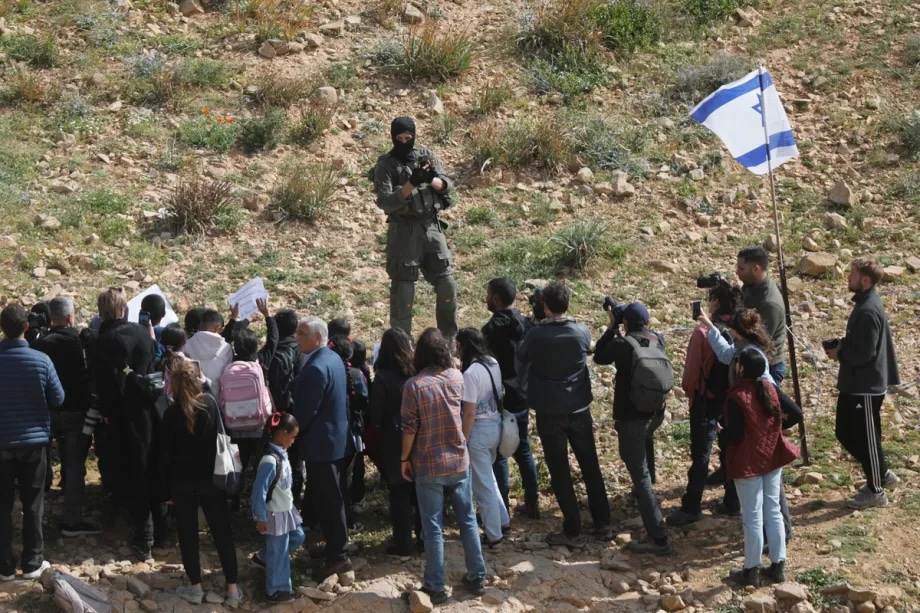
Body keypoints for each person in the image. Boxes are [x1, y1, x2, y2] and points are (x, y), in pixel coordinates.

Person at [516, 283, 611, 545]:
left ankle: (572, 527)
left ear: (545, 306)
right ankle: (603, 523)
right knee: (590, 465)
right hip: (579, 408)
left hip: (549, 410)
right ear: (568, 304)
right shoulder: (581, 332)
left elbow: (521, 358)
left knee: (559, 469)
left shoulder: (536, 335)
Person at [400, 328, 486, 604]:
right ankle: (477, 576)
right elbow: (465, 412)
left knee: (433, 527)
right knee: (468, 520)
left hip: (429, 463)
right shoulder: (457, 377)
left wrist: (404, 459)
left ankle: (435, 585)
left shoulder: (414, 385)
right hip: (459, 459)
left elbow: (409, 428)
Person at [86, 289, 166, 560]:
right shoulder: (142, 333)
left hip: (121, 417)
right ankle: (161, 531)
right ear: (123, 310)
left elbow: (104, 387)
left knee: (131, 473)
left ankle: (143, 537)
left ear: (101, 312)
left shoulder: (101, 342)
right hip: (150, 411)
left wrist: (107, 414)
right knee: (151, 466)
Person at [158, 359, 242, 608]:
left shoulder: (171, 413)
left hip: (181, 481)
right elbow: (222, 436)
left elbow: (164, 455)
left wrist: (165, 489)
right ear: (198, 380)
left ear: (172, 384)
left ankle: (195, 588)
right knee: (221, 533)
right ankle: (233, 590)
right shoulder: (210, 405)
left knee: (187, 534)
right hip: (211, 479)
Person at [594, 302, 674, 556]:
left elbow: (599, 357)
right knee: (646, 446)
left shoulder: (622, 344)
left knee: (639, 475)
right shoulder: (657, 339)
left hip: (631, 418)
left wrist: (611, 326)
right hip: (656, 413)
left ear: (626, 322)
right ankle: (647, 489)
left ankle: (658, 538)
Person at [824, 258, 901, 509]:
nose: (848, 278)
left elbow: (865, 353)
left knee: (866, 437)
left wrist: (840, 354)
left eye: (852, 275)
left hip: (865, 387)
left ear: (864, 280)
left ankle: (877, 490)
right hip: (856, 384)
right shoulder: (865, 304)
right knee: (845, 431)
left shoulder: (867, 310)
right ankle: (881, 472)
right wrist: (843, 345)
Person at [372, 116, 458, 342]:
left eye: (408, 138)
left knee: (447, 284)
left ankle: (448, 341)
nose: (404, 142)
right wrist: (411, 182)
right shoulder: (386, 165)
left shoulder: (425, 157)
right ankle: (403, 346)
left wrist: (431, 180)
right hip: (404, 232)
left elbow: (447, 184)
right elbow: (386, 201)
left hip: (431, 227)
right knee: (404, 292)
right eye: (399, 138)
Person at [667, 283, 742, 527]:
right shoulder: (739, 330)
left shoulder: (703, 332)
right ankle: (733, 501)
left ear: (717, 303)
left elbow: (691, 374)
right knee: (730, 449)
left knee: (701, 454)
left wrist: (690, 395)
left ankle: (691, 506)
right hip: (731, 399)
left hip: (706, 400)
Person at [723, 347, 799, 587]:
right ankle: (778, 566)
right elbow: (796, 413)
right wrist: (774, 427)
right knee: (773, 510)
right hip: (771, 458)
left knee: (752, 517)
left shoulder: (737, 395)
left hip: (747, 462)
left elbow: (734, 436)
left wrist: (721, 433)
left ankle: (751, 570)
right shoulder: (769, 387)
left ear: (741, 368)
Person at [0, 303, 64, 581]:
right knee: (33, 503)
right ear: (27, 326)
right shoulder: (41, 360)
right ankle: (32, 562)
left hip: (2, 442)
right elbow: (59, 399)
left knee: (2, 506)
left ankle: (3, 566)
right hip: (34, 442)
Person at [291, 317, 355, 582]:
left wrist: (290, 431)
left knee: (329, 500)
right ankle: (334, 545)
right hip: (334, 439)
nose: (297, 337)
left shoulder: (317, 367)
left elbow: (306, 412)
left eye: (302, 333)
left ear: (317, 337)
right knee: (327, 496)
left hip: (321, 444)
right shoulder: (332, 357)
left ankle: (339, 557)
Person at [31, 296, 98, 536]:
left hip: (48, 411)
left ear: (50, 319)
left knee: (40, 462)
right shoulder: (78, 342)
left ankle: (36, 516)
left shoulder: (42, 344)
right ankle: (72, 519)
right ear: (70, 317)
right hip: (76, 410)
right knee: (74, 463)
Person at [481, 278, 540, 520]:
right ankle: (533, 503)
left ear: (496, 298)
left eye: (488, 293)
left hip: (501, 399)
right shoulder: (526, 324)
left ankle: (502, 508)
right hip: (524, 396)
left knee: (500, 455)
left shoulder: (490, 330)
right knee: (523, 449)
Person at [369, 328, 422, 560]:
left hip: (393, 438)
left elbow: (375, 414)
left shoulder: (382, 376)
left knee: (399, 491)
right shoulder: (416, 371)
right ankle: (425, 538)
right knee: (420, 490)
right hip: (419, 435)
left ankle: (403, 545)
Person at [455, 328, 510, 548]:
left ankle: (493, 535)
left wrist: (463, 440)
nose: (457, 350)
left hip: (478, 431)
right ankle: (503, 521)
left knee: (482, 486)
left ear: (465, 346)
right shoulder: (492, 363)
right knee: (489, 478)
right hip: (495, 426)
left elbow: (468, 412)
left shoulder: (470, 374)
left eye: (458, 346)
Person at [224, 299, 278, 509]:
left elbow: (225, 339)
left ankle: (234, 501)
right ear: (256, 346)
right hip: (258, 425)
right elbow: (273, 340)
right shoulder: (261, 362)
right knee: (258, 466)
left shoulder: (229, 361)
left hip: (235, 426)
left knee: (238, 464)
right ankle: (256, 503)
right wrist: (268, 315)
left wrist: (236, 320)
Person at [252, 413, 305, 603]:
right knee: (280, 552)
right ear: (283, 434)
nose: (293, 441)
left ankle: (264, 558)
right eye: (292, 437)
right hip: (274, 514)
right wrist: (260, 517)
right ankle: (276, 590)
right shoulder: (270, 460)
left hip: (286, 510)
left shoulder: (281, 452)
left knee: (297, 537)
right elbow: (259, 491)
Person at [327, 335, 368, 531]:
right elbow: (364, 401)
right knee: (347, 480)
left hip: (332, 433)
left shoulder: (330, 372)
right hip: (353, 433)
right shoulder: (356, 375)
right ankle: (347, 521)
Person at [266, 309, 304, 503]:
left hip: (272, 413)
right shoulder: (302, 351)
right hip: (294, 412)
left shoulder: (271, 351)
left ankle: (271, 497)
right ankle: (294, 499)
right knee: (295, 458)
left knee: (271, 456)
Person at [736, 247, 787, 384]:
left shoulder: (769, 303)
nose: (737, 272)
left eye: (741, 269)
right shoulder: (750, 286)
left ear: (756, 269)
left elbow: (759, 341)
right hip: (751, 360)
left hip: (766, 367)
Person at [184, 309, 233, 404]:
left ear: (201, 325)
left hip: (193, 401)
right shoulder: (226, 348)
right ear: (217, 328)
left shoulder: (187, 344)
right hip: (217, 401)